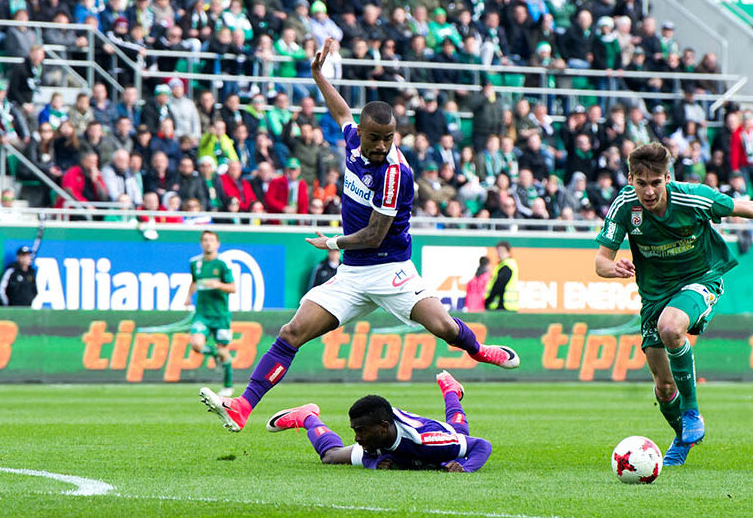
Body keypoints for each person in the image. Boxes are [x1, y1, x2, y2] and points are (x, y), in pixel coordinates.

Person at [200, 38, 519, 432]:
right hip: (352, 275)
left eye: (389, 139)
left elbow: (373, 235)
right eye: (375, 138)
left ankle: (478, 349)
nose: (382, 146)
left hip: (391, 271)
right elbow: (342, 111)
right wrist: (317, 75)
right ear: (363, 133)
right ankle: (242, 406)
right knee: (292, 331)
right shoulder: (354, 139)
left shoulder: (396, 174)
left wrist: (331, 243)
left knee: (444, 327)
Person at [594, 142, 753, 467]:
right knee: (662, 385)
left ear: (667, 177)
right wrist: (611, 269)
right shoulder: (625, 206)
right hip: (654, 295)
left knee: (670, 327)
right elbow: (601, 261)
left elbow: (734, 206)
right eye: (641, 184)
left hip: (701, 278)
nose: (649, 191)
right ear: (630, 179)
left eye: (656, 183)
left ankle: (691, 410)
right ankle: (682, 437)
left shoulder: (692, 196)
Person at [264, 370, 492, 472]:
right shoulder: (374, 436)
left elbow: (482, 445)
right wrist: (375, 463)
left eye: (361, 431)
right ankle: (307, 416)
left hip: (436, 435)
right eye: (355, 430)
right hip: (395, 439)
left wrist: (465, 467)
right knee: (330, 457)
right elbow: (372, 456)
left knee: (458, 432)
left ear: (383, 428)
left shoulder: (427, 440)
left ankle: (450, 390)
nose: (356, 438)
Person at [185, 230, 236, 397]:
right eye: (205, 240)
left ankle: (228, 386)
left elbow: (233, 288)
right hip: (202, 314)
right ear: (201, 243)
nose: (208, 243)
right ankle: (215, 353)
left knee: (225, 350)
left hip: (221, 315)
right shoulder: (195, 263)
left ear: (217, 244)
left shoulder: (223, 264)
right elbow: (194, 281)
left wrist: (218, 285)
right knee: (197, 345)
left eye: (211, 240)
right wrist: (188, 297)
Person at [484, 241, 518, 311]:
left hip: (504, 306)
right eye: (498, 251)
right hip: (505, 305)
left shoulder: (507, 265)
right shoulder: (503, 264)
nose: (499, 253)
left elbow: (499, 285)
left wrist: (488, 300)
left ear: (508, 251)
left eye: (501, 251)